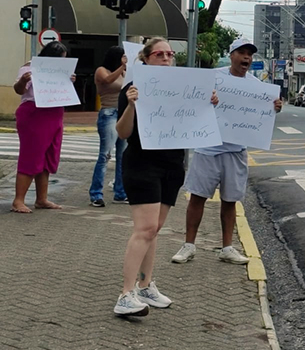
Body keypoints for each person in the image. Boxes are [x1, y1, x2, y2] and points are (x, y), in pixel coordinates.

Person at [113, 37, 220, 316]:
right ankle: (126, 293)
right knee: (145, 228)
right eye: (159, 54)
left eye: (170, 54)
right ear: (146, 59)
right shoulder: (132, 88)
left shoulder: (185, 88)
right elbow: (122, 133)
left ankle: (146, 285)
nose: (166, 58)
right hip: (141, 163)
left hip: (172, 165)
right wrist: (131, 105)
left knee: (154, 229)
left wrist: (209, 104)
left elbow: (196, 123)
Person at [172, 38, 283, 266]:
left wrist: (274, 108)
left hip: (235, 151)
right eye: (242, 53)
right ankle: (189, 245)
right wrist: (208, 99)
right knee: (197, 197)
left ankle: (227, 248)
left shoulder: (257, 86)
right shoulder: (214, 78)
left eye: (250, 55)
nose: (246, 58)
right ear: (231, 55)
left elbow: (261, 116)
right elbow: (193, 100)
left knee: (230, 200)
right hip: (208, 148)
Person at [11, 41, 73, 214]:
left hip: (54, 114)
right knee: (31, 155)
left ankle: (41, 198)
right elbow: (19, 90)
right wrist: (23, 81)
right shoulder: (29, 69)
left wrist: (69, 81)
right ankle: (18, 200)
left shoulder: (59, 72)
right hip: (35, 114)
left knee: (47, 157)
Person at [89, 46, 128, 207]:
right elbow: (107, 80)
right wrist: (122, 67)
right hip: (108, 113)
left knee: (123, 156)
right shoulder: (101, 70)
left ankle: (120, 192)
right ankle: (96, 193)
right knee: (105, 155)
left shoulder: (124, 72)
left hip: (123, 114)